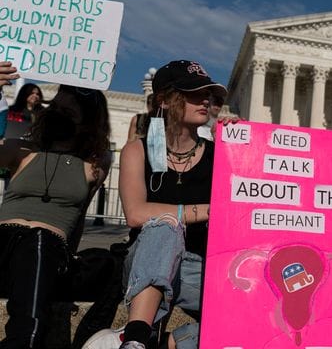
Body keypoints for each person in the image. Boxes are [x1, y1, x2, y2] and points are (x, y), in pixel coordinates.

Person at [83, 60, 229, 349]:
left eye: (209, 93)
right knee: (164, 225)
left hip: (200, 270)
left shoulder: (220, 155)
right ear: (164, 99)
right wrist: (208, 210)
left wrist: (241, 144)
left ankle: (164, 343)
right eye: (193, 92)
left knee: (257, 311)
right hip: (145, 263)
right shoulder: (138, 150)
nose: (206, 99)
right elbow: (136, 214)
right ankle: (136, 340)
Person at [0, 61, 112, 348]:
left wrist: (69, 254)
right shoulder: (22, 149)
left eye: (70, 112)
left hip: (47, 249)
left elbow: (78, 216)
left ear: (88, 120)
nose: (60, 114)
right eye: (57, 109)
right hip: (4, 242)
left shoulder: (94, 164)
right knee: (31, 242)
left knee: (38, 242)